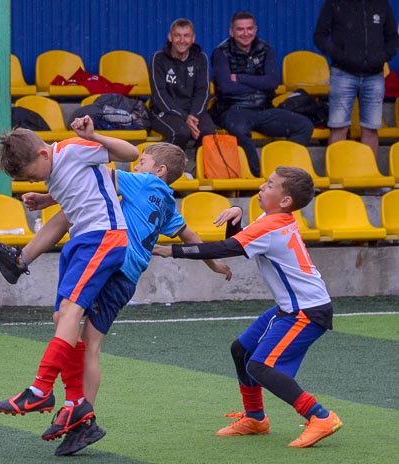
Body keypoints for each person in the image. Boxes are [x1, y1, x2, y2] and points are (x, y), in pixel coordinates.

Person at [0, 142, 232, 455]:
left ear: (159, 171)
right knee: (89, 343)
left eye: (143, 161)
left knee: (67, 317)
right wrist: (215, 264)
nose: (137, 165)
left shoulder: (142, 182)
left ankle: (58, 397)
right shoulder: (168, 203)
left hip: (111, 258)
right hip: (128, 278)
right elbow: (190, 237)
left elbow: (98, 178)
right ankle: (81, 417)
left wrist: (48, 196)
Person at [153, 166, 342, 448]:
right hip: (292, 307)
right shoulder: (272, 219)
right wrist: (236, 220)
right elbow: (242, 242)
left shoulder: (270, 225)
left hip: (306, 311)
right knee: (241, 350)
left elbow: (225, 249)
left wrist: (171, 250)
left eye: (270, 185)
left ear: (286, 201)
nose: (263, 187)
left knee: (260, 366)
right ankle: (255, 418)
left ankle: (320, 417)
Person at [0, 116, 138, 446]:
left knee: (71, 313)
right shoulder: (53, 168)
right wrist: (46, 199)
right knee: (62, 319)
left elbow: (130, 153)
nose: (35, 180)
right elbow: (79, 190)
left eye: (32, 174)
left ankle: (40, 389)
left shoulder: (73, 149)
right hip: (81, 241)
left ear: (44, 154)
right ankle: (76, 405)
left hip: (104, 237)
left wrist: (94, 135)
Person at [211, 11, 314, 177]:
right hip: (234, 109)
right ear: (232, 32)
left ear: (255, 29)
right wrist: (259, 84)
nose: (245, 33)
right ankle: (257, 175)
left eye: (249, 28)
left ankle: (280, 170)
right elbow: (226, 87)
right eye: (240, 29)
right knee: (239, 129)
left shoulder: (265, 49)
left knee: (304, 126)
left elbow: (272, 82)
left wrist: (240, 77)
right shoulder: (221, 52)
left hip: (264, 109)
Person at [314, 0, 399, 157]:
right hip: (343, 74)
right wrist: (341, 56)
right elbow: (319, 36)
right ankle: (335, 171)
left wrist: (383, 57)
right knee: (339, 127)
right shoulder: (334, 3)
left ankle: (371, 173)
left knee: (371, 128)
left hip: (375, 76)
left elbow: (393, 38)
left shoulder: (382, 4)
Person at [149, 18, 216, 148]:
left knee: (208, 133)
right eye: (177, 35)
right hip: (163, 110)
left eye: (186, 36)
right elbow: (160, 96)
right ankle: (171, 168)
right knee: (181, 133)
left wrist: (193, 116)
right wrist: (185, 117)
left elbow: (203, 92)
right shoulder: (158, 58)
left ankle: (198, 168)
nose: (182, 40)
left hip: (192, 111)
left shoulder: (201, 58)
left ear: (193, 38)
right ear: (170, 37)